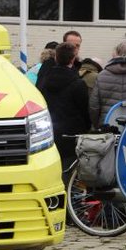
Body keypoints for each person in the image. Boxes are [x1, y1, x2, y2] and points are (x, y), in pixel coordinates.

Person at [36, 41, 90, 172]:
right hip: (71, 134)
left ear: (55, 58)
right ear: (72, 59)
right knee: (68, 170)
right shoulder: (78, 84)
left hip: (49, 131)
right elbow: (84, 111)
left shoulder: (44, 80)